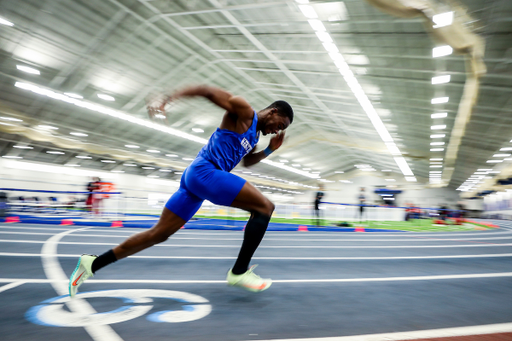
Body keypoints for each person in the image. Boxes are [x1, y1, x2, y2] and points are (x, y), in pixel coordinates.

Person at [69, 84, 293, 296]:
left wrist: (269, 151)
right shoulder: (245, 112)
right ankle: (239, 272)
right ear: (273, 112)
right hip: (205, 171)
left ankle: (93, 263)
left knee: (158, 234)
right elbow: (206, 91)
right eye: (280, 125)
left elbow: (247, 162)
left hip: (195, 181)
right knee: (265, 207)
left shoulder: (253, 136)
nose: (276, 131)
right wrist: (167, 99)